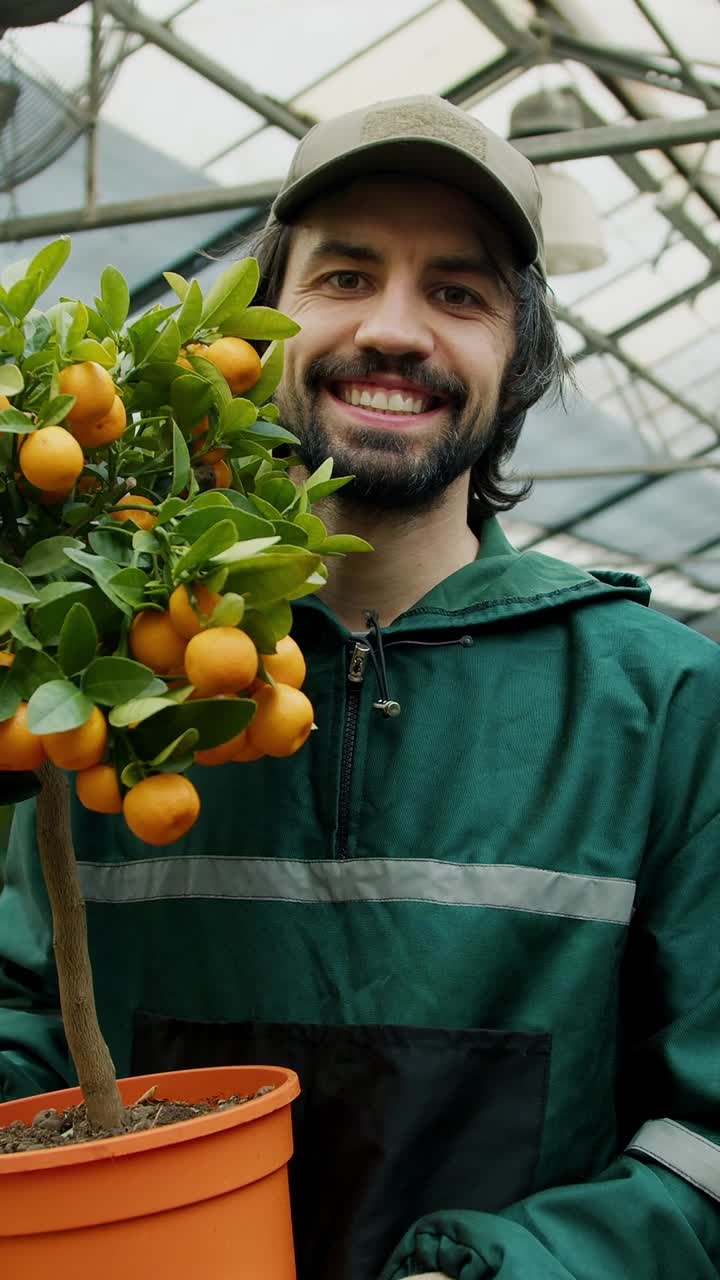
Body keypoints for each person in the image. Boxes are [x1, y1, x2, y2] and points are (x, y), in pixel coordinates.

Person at [1, 93, 719, 1280]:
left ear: (520, 355)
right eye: (343, 277)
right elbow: (24, 1009)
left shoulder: (665, 704)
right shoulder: (98, 682)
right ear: (257, 329)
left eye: (459, 292)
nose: (395, 329)